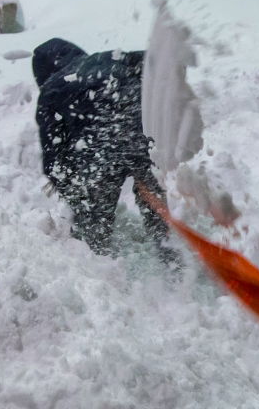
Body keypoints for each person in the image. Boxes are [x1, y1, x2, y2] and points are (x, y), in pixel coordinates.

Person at [32, 37, 175, 261]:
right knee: (156, 207)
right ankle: (174, 266)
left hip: (101, 150)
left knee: (93, 226)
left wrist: (73, 194)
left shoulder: (52, 89)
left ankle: (103, 276)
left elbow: (53, 157)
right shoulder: (104, 60)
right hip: (142, 134)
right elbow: (148, 61)